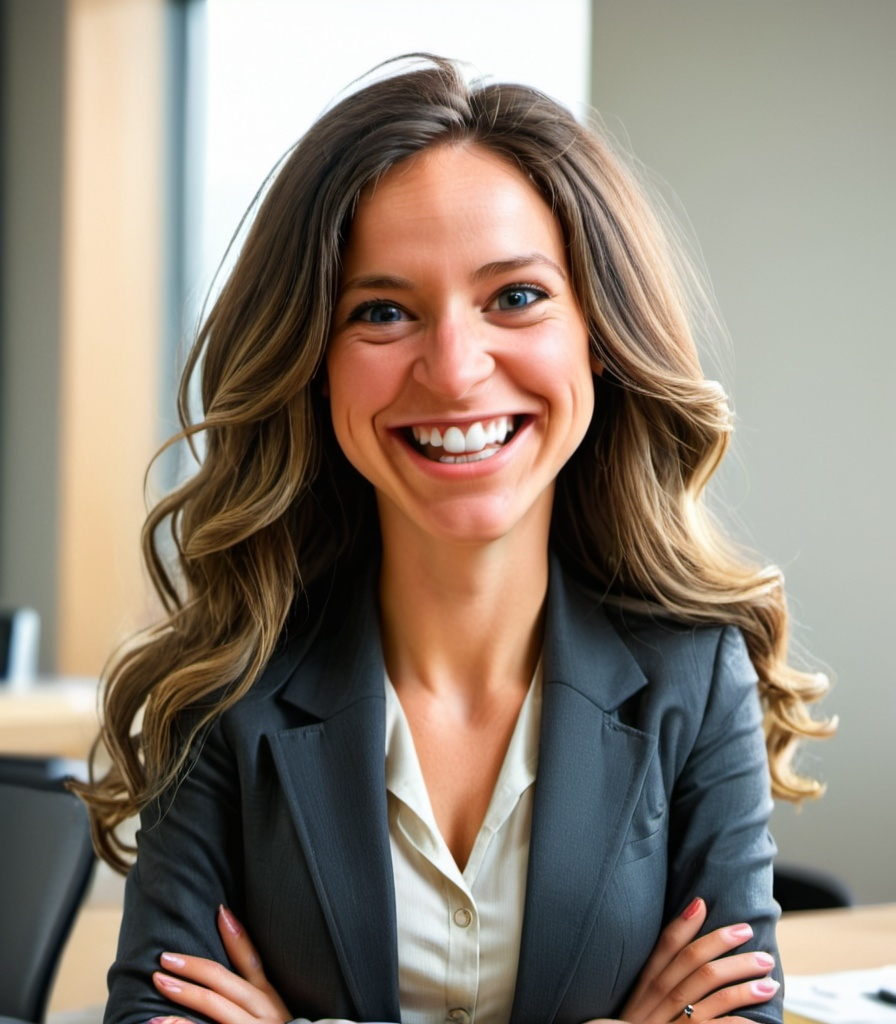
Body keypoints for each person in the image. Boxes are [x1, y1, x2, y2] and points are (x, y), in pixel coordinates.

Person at [76, 55, 832, 1024]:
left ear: (596, 333)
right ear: (314, 362)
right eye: (382, 311)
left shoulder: (695, 671)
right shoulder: (227, 676)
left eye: (513, 296)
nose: (454, 368)